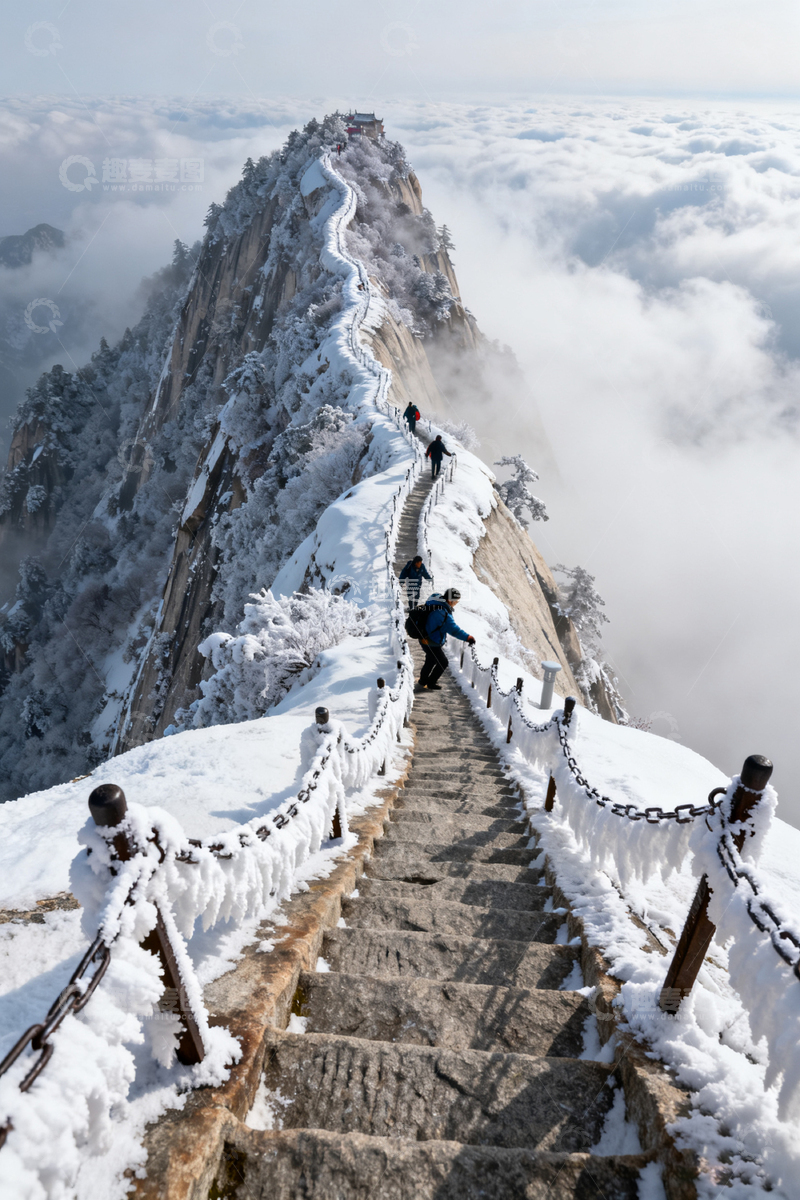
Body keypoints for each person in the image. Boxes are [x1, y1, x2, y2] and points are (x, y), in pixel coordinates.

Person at [416, 588, 475, 691]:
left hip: (424, 637)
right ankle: (431, 682)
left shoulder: (435, 600)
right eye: (456, 601)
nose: (456, 603)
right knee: (443, 662)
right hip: (432, 641)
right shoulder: (443, 614)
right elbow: (454, 630)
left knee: (430, 660)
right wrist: (468, 637)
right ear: (449, 600)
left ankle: (423, 680)